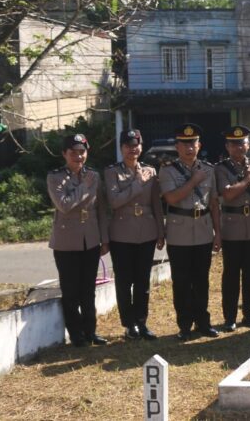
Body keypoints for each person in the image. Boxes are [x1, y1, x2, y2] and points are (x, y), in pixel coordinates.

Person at [158, 123, 220, 341]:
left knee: (201, 279)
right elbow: (171, 198)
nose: (189, 148)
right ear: (177, 146)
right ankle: (184, 324)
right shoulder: (167, 170)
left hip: (203, 229)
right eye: (184, 144)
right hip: (179, 230)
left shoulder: (209, 169)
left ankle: (203, 322)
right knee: (182, 281)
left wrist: (218, 233)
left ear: (199, 145)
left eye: (193, 143)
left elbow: (213, 203)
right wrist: (193, 180)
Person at [48, 133, 109, 347]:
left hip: (90, 239)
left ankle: (90, 331)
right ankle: (76, 334)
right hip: (66, 242)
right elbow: (64, 205)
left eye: (82, 152)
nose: (78, 156)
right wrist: (84, 187)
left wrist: (105, 238)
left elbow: (101, 208)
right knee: (71, 289)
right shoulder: (55, 177)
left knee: (88, 290)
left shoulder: (94, 175)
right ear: (64, 154)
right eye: (73, 152)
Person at [104, 129, 164, 341]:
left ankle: (141, 321)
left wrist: (160, 230)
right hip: (121, 233)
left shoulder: (151, 170)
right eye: (128, 146)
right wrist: (138, 182)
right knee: (124, 281)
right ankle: (129, 324)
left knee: (142, 281)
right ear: (121, 148)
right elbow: (115, 201)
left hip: (146, 231)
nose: (133, 149)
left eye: (136, 145)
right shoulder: (112, 172)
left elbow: (157, 203)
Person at [214, 125, 250, 332]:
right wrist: (247, 180)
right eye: (234, 144)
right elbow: (227, 195)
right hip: (232, 226)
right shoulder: (221, 169)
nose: (238, 147)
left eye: (242, 142)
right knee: (231, 274)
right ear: (227, 146)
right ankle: (230, 317)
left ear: (248, 144)